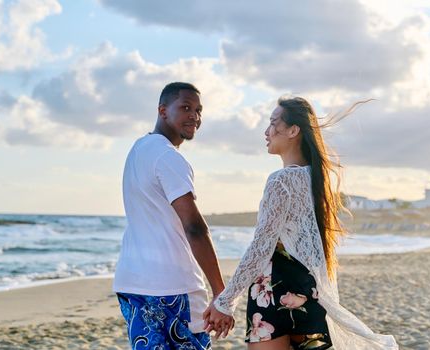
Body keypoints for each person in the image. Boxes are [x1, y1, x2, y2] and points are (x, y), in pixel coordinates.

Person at [203, 96, 398, 349]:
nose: (267, 131)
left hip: (273, 292)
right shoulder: (317, 180)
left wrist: (225, 302)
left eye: (273, 123)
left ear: (294, 130)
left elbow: (261, 248)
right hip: (309, 290)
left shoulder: (281, 180)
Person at [113, 82, 234, 349]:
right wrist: (220, 291)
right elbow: (194, 227)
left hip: (133, 282)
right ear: (163, 110)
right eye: (186, 107)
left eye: (199, 110)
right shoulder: (168, 157)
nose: (195, 116)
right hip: (172, 285)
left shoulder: (137, 150)